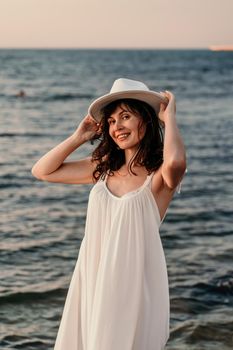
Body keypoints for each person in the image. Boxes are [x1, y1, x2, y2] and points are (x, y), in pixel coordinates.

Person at [31, 78, 187, 350]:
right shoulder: (102, 168)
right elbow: (43, 171)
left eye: (126, 117)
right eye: (112, 121)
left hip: (132, 284)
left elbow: (176, 161)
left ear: (146, 122)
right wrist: (79, 136)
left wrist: (169, 119)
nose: (117, 127)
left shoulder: (159, 176)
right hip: (93, 275)